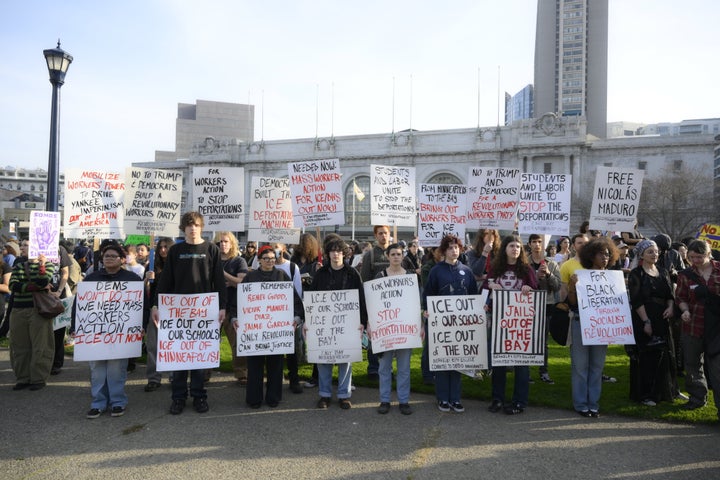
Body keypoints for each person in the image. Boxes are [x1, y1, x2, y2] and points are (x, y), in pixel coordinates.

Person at [151, 212, 227, 415]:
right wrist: (157, 305)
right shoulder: (176, 251)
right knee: (179, 357)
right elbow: (166, 280)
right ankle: (178, 397)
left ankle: (199, 395)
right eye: (189, 225)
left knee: (199, 357)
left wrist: (222, 306)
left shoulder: (211, 249)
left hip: (205, 311)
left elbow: (218, 280)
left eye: (196, 225)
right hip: (177, 312)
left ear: (202, 227)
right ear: (183, 228)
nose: (193, 228)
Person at [80, 244, 143, 418]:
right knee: (97, 370)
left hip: (121, 334)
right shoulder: (91, 279)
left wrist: (141, 325)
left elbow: (140, 306)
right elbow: (80, 305)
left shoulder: (132, 280)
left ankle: (117, 402)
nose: (108, 258)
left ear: (122, 259)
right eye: (106, 256)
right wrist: (76, 327)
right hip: (95, 333)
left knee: (116, 369)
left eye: (113, 256)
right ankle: (98, 403)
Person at [238, 245, 304, 409]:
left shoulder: (282, 275)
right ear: (259, 260)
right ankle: (254, 398)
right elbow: (239, 300)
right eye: (266, 258)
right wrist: (234, 317)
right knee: (255, 365)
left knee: (276, 365)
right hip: (255, 330)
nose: (269, 261)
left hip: (276, 331)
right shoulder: (250, 277)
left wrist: (297, 317)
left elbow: (294, 299)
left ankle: (273, 397)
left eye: (272, 258)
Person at [305, 237, 367, 410]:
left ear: (345, 253)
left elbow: (361, 299)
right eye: (332, 251)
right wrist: (308, 320)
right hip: (323, 325)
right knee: (323, 360)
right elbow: (312, 298)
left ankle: (343, 395)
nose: (336, 254)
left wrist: (362, 321)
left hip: (347, 325)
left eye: (339, 251)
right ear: (328, 253)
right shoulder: (321, 273)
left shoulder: (353, 274)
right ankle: (324, 395)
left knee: (345, 360)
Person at [422, 234, 478, 413]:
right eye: (450, 248)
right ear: (444, 251)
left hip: (461, 324)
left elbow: (473, 296)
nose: (454, 251)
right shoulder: (436, 270)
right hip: (441, 323)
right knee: (442, 361)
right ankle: (443, 398)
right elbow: (428, 294)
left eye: (456, 247)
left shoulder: (467, 271)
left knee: (457, 361)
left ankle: (456, 398)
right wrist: (426, 310)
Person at [563, 236, 617, 418]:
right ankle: (580, 404)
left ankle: (593, 403)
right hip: (580, 323)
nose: (605, 258)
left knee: (597, 366)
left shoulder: (612, 279)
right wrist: (572, 287)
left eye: (608, 254)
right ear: (591, 256)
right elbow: (572, 302)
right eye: (601, 254)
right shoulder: (580, 276)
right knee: (580, 366)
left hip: (601, 326)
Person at [484, 235, 538, 415]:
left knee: (521, 363)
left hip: (520, 324)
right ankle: (497, 399)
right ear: (504, 249)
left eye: (518, 246)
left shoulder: (526, 269)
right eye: (511, 246)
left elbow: (535, 292)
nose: (515, 249)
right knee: (498, 362)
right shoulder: (495, 269)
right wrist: (491, 288)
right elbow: (485, 289)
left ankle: (519, 402)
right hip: (500, 321)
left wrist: (528, 289)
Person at [626, 239, 678, 407]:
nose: (654, 254)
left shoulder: (663, 272)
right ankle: (645, 394)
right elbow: (637, 300)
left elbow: (670, 295)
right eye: (650, 252)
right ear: (641, 254)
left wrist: (670, 308)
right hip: (644, 317)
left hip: (662, 318)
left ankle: (665, 391)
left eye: (656, 251)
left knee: (664, 355)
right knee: (647, 356)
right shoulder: (637, 273)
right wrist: (646, 321)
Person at [374, 243, 422, 415]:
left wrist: (420, 325)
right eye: (393, 254)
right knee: (384, 367)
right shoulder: (380, 276)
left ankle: (404, 401)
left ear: (403, 256)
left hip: (405, 330)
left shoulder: (410, 277)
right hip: (385, 329)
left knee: (404, 368)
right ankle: (384, 400)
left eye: (399, 254)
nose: (396, 257)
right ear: (387, 256)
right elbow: (374, 303)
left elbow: (416, 303)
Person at [675, 240, 720, 415]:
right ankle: (697, 398)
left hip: (716, 328)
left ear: (709, 254)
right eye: (691, 257)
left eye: (699, 257)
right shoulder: (685, 274)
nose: (695, 260)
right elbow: (681, 297)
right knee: (692, 364)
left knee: (717, 369)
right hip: (693, 326)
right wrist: (684, 311)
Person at [8, 245, 56, 391]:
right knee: (19, 346)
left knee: (41, 345)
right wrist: (36, 286)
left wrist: (41, 266)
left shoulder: (48, 264)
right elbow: (13, 286)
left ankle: (38, 378)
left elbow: (43, 280)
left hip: (38, 310)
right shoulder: (18, 265)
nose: (22, 248)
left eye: (26, 245)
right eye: (22, 245)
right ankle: (23, 378)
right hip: (18, 309)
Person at [214, 232, 249, 385]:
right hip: (212, 307)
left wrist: (223, 275)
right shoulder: (211, 260)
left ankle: (241, 374)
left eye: (226, 241)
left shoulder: (238, 261)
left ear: (232, 243)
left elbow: (241, 282)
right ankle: (205, 373)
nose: (223, 244)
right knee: (210, 342)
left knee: (236, 343)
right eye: (220, 242)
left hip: (232, 307)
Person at [527, 234, 561, 384]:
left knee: (543, 341)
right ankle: (525, 372)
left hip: (546, 305)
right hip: (527, 305)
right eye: (534, 242)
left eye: (539, 242)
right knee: (526, 339)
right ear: (529, 244)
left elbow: (557, 286)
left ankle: (543, 371)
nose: (537, 245)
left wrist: (548, 274)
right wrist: (534, 275)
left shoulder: (552, 264)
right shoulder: (523, 263)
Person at [360, 225, 392, 380]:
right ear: (375, 236)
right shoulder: (370, 255)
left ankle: (388, 369)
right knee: (374, 335)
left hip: (393, 303)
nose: (383, 236)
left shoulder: (395, 252)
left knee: (391, 336)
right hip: (375, 302)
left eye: (385, 233)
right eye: (380, 233)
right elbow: (364, 279)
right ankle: (373, 368)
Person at [273, 242, 304, 394]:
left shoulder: (292, 267)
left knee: (291, 350)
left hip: (287, 313)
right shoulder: (260, 264)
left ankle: (294, 379)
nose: (275, 250)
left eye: (277, 246)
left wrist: (296, 315)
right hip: (269, 315)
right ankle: (275, 379)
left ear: (283, 248)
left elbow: (297, 292)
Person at [142, 237, 171, 392]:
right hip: (155, 308)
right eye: (160, 247)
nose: (163, 250)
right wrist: (147, 279)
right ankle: (153, 378)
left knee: (172, 345)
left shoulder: (178, 265)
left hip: (173, 309)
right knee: (153, 345)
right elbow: (141, 289)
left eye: (166, 247)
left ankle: (174, 376)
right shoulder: (151, 266)